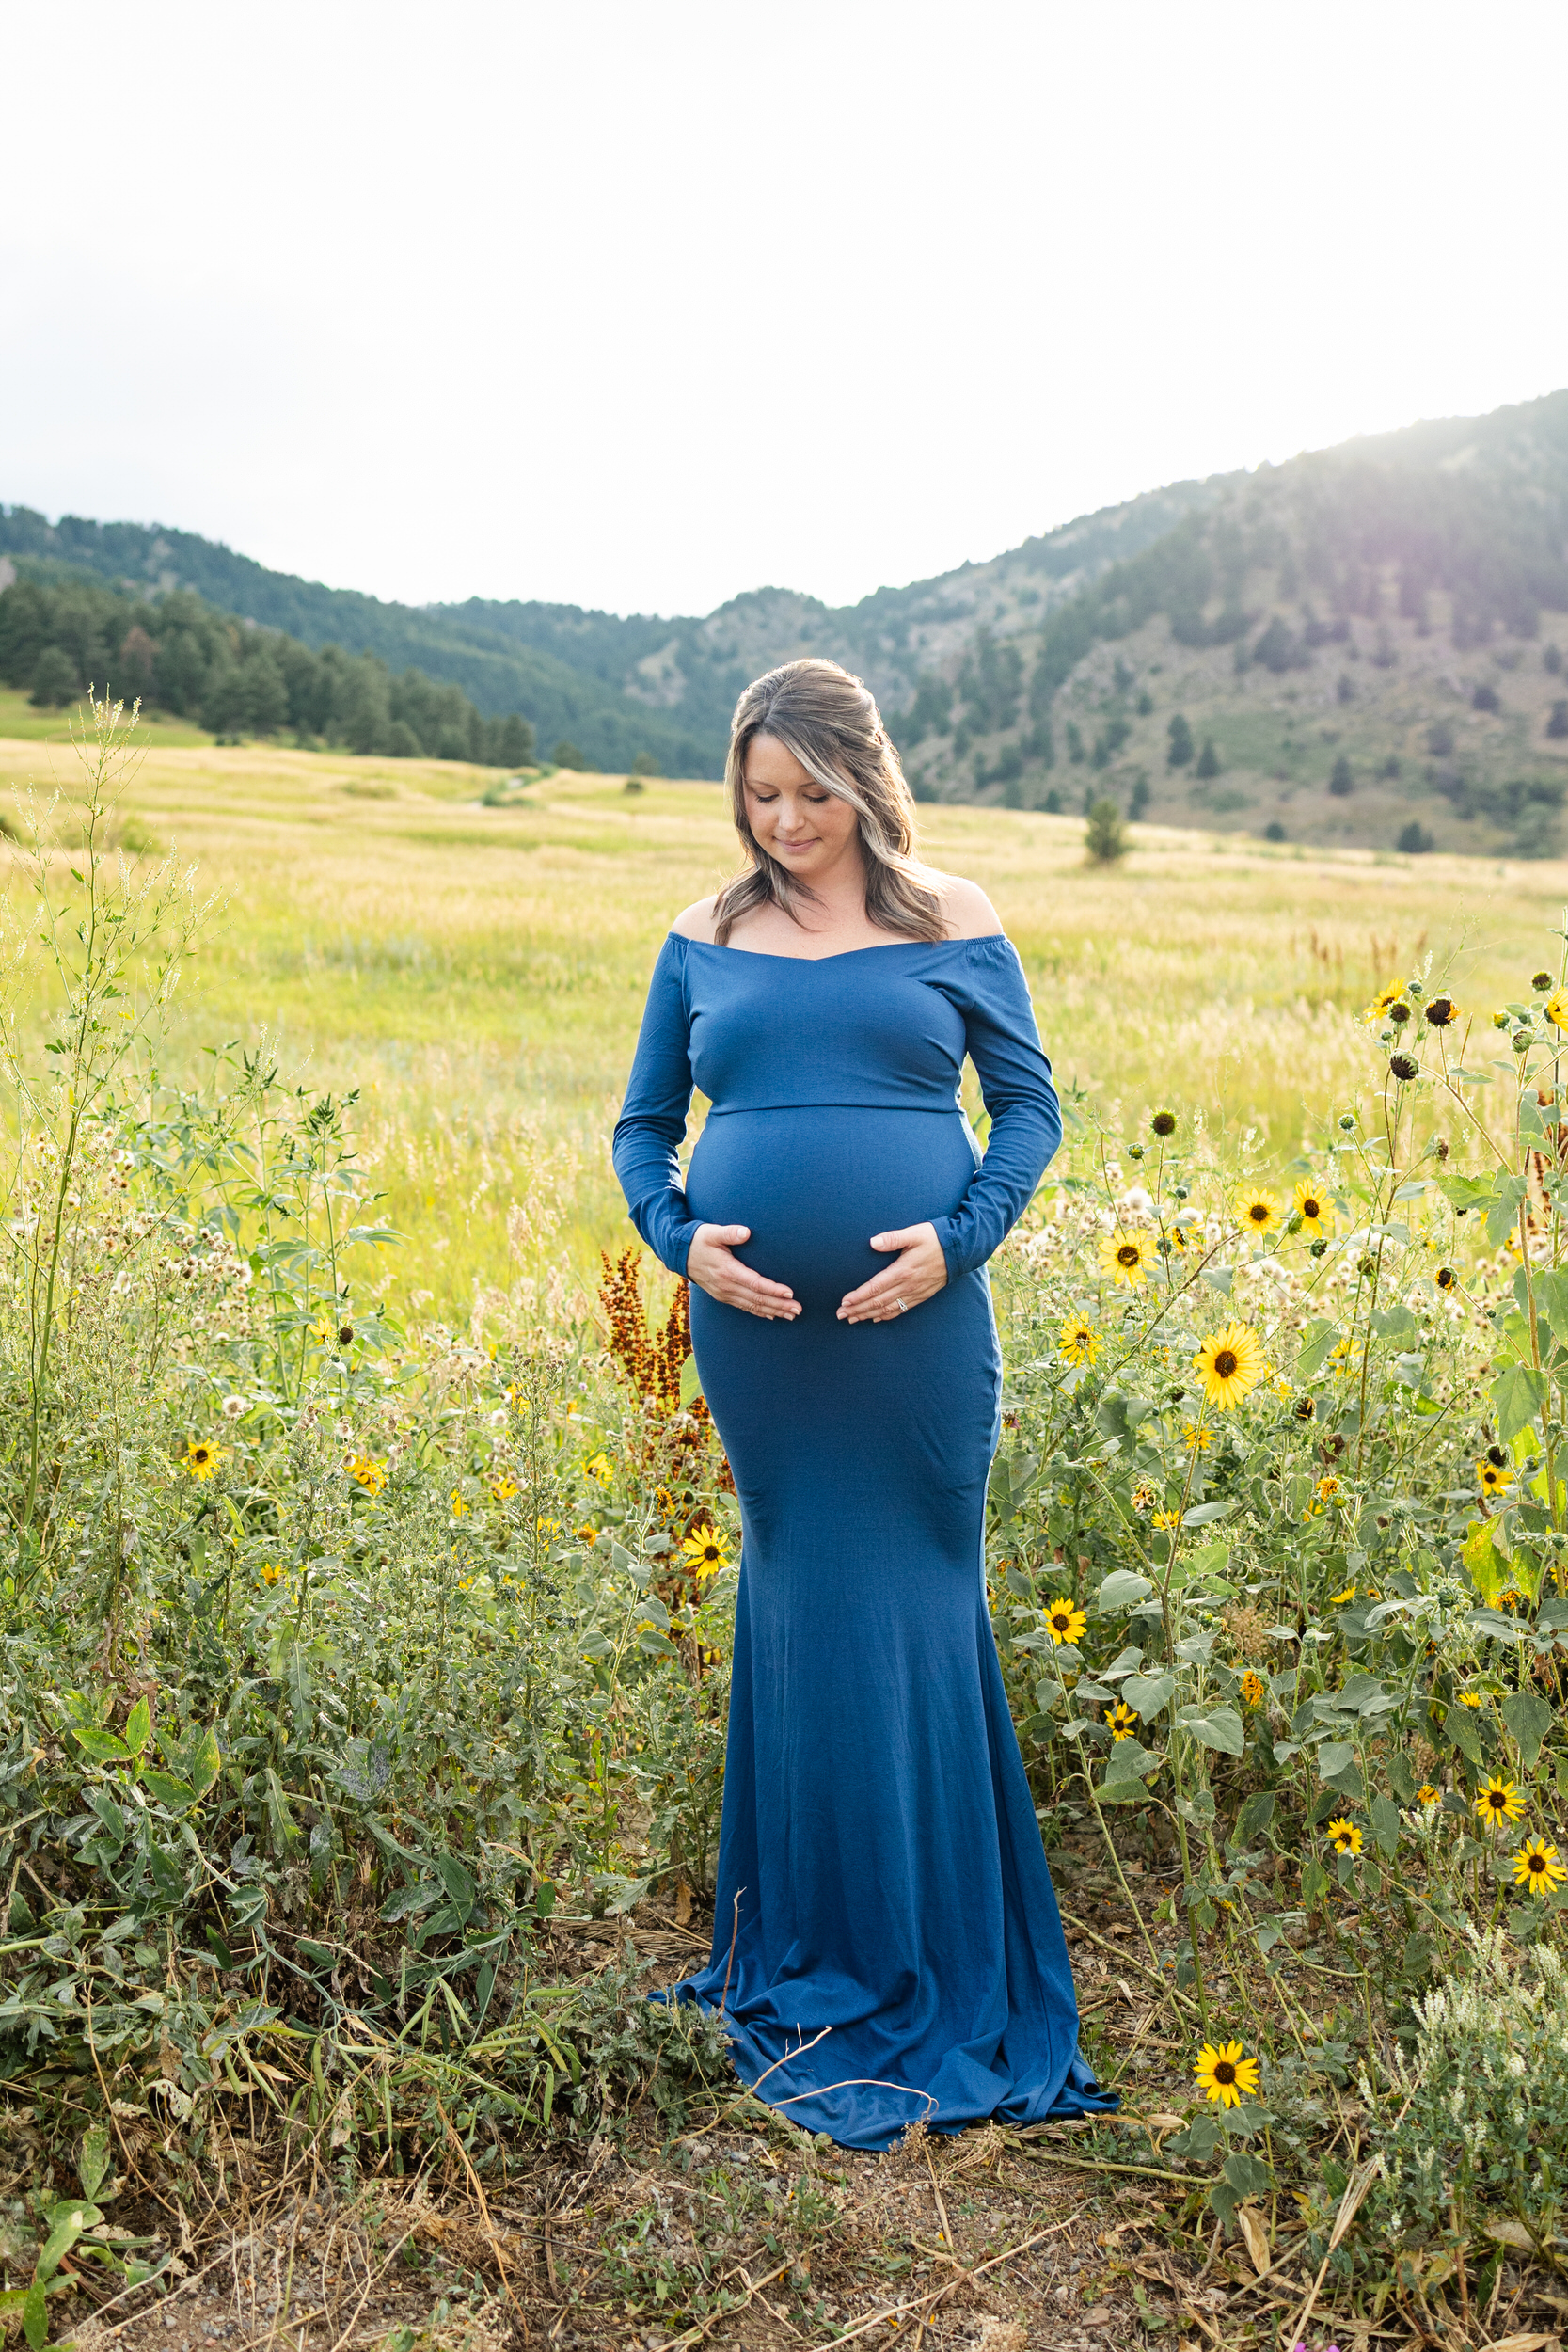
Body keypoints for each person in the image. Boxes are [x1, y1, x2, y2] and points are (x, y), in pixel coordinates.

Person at [612, 657, 1113, 2151]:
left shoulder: (952, 917)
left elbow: (1030, 1108)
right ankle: (803, 1943)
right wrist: (678, 1236)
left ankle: (935, 1959)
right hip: (760, 1343)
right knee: (798, 1600)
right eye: (759, 795)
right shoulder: (704, 937)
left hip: (917, 1340)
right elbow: (645, 1127)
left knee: (918, 1598)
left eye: (809, 792)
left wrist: (954, 1243)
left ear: (862, 776)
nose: (782, 821)